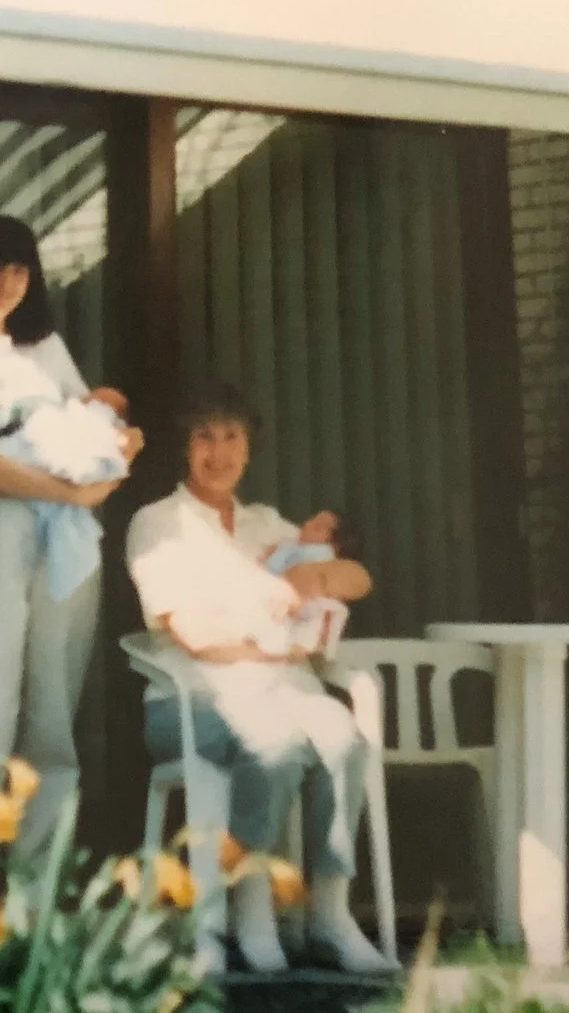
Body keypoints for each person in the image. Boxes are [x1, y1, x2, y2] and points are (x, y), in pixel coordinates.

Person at [125, 381, 393, 976]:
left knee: (346, 741)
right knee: (275, 746)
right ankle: (252, 907)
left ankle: (330, 913)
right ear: (184, 446)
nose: (218, 452)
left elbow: (357, 578)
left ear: (248, 449)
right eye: (204, 437)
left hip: (283, 691)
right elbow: (193, 634)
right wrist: (270, 647)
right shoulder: (159, 523)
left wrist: (309, 582)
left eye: (232, 437)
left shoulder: (267, 524)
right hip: (193, 697)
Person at [0, 214, 144, 858]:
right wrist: (73, 493)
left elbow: (95, 425)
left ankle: (36, 887)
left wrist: (122, 446)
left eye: (19, 268)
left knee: (51, 715)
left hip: (60, 540)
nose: (5, 281)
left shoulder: (43, 349)